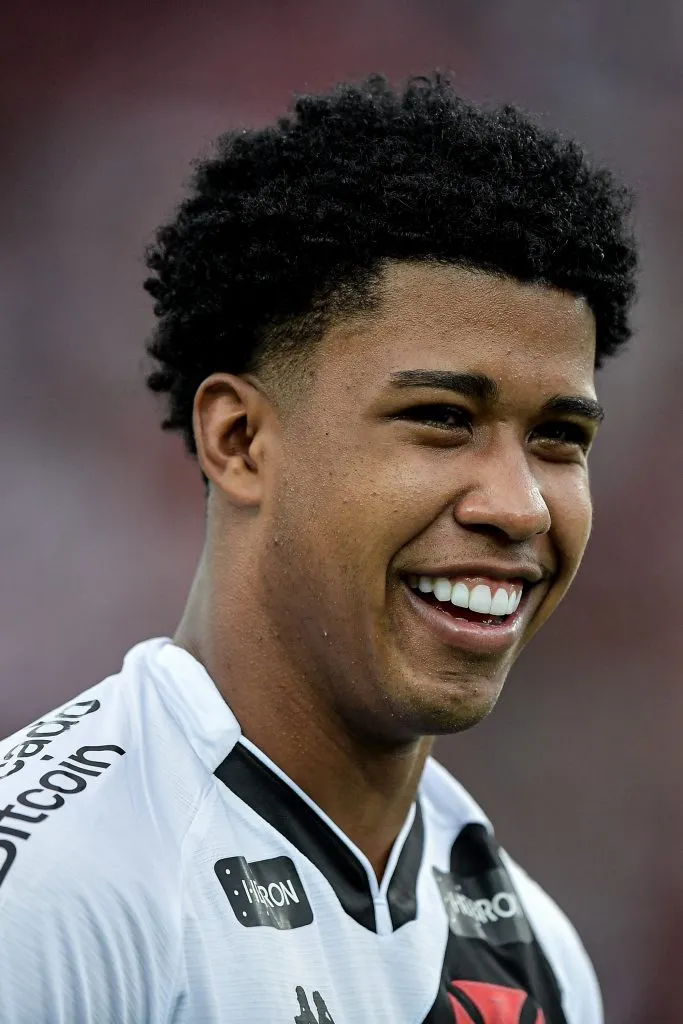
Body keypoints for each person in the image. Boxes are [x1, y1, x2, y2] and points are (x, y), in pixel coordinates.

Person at [0, 74, 637, 1023]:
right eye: (441, 418)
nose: (521, 507)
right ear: (240, 441)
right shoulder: (50, 896)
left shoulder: (536, 958)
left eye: (558, 438)